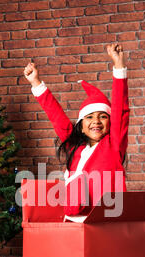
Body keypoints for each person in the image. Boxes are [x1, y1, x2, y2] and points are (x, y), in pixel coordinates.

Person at [23, 43, 129, 222]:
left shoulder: (113, 145)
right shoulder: (75, 147)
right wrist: (36, 82)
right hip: (71, 223)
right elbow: (56, 116)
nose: (96, 121)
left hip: (105, 223)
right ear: (81, 125)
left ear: (110, 122)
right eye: (89, 117)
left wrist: (119, 67)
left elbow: (120, 109)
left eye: (103, 116)